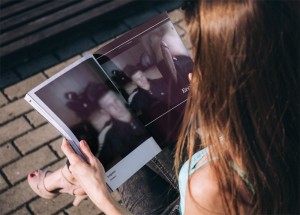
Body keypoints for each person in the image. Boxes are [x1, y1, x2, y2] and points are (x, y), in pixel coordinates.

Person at [29, 0, 300, 214]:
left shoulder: (213, 186)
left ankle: (71, 179)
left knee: (120, 142)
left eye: (205, 58)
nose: (193, 74)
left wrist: (101, 195)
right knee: (133, 129)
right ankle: (68, 177)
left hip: (189, 204)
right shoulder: (279, 112)